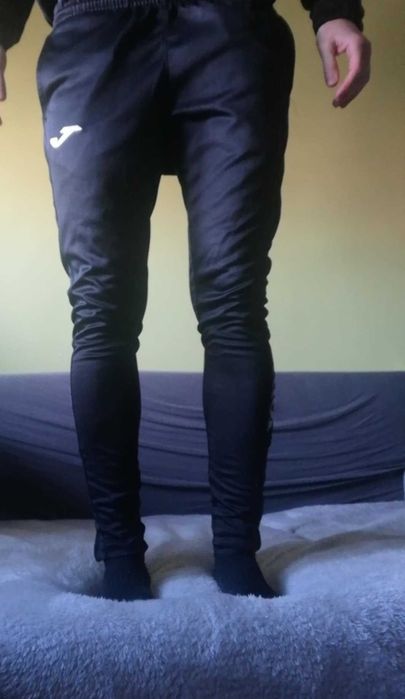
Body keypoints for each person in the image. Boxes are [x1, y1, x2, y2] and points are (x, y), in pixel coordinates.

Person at [0, 0, 371, 601]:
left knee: (234, 300)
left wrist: (333, 9)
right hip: (93, 32)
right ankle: (120, 554)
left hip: (233, 28)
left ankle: (237, 551)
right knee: (100, 307)